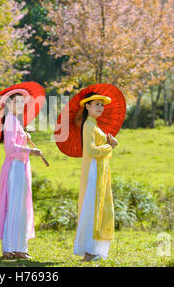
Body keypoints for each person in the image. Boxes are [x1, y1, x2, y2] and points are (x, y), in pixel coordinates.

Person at [73, 92, 118, 261]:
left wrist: (107, 144)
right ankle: (89, 251)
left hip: (100, 170)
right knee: (93, 207)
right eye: (96, 104)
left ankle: (93, 250)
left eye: (102, 105)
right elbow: (91, 151)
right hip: (94, 170)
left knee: (99, 207)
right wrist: (109, 146)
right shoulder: (89, 125)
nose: (100, 108)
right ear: (87, 106)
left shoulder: (95, 125)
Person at [0, 92, 42, 259]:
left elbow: (16, 142)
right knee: (15, 205)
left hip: (21, 167)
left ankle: (19, 248)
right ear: (8, 104)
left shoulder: (15, 121)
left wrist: (25, 138)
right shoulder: (10, 119)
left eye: (22, 102)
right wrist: (30, 150)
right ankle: (9, 248)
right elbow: (9, 148)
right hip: (15, 167)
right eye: (16, 102)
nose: (20, 105)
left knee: (21, 206)